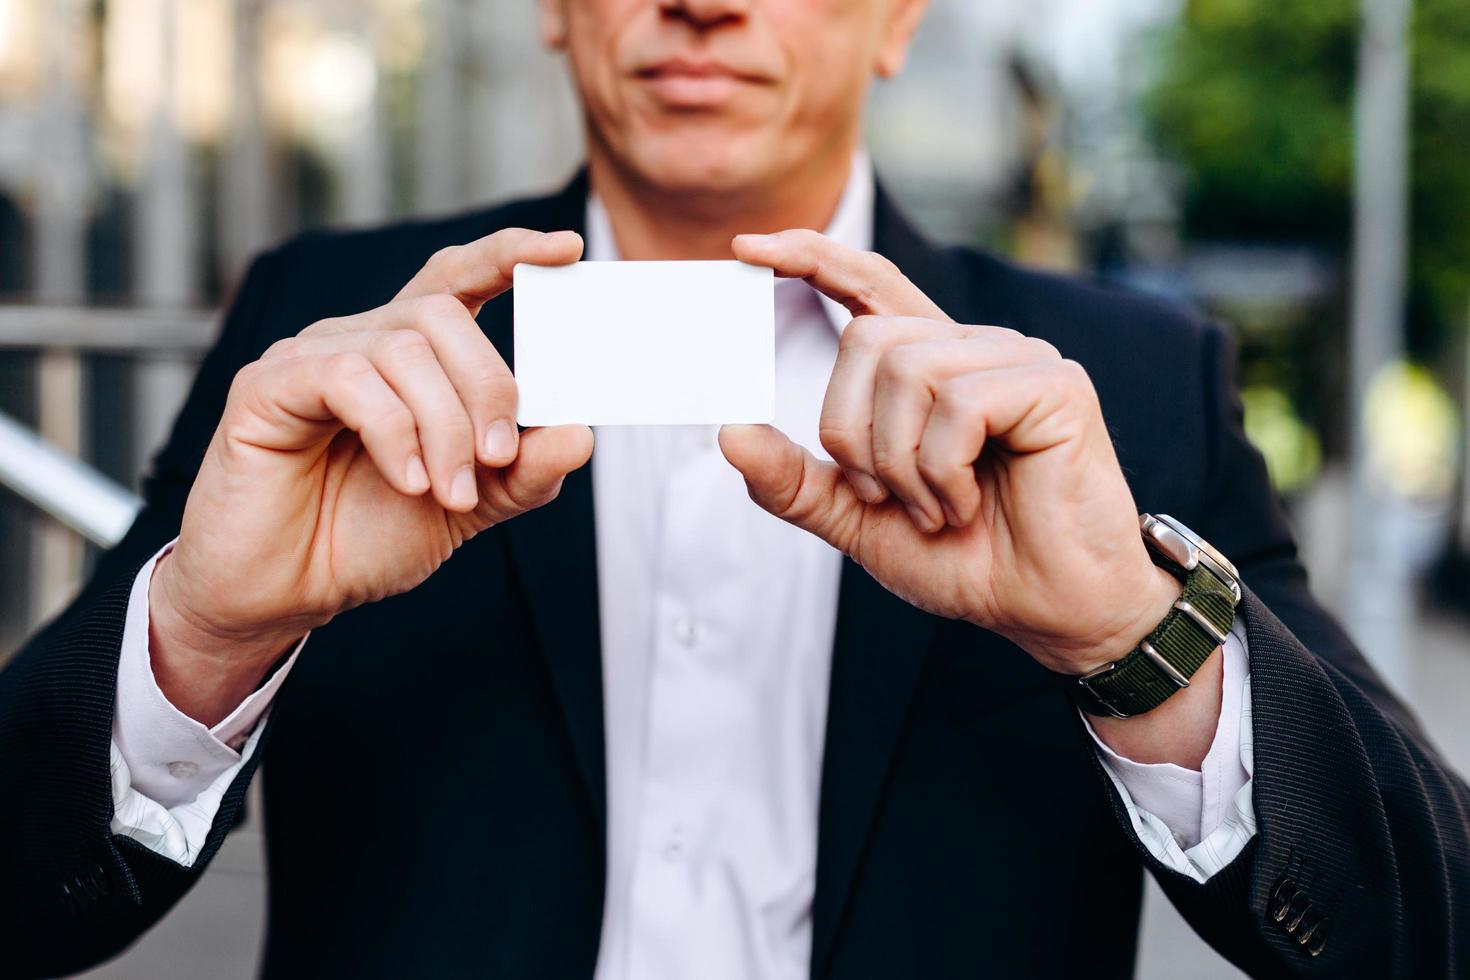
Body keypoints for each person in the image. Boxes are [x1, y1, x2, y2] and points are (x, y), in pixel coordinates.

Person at [2, 0, 1467, 976]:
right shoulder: (328, 332)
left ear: (896, 18)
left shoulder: (1121, 385)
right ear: (556, 11)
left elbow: (1425, 923)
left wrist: (1128, 636)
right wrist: (195, 638)